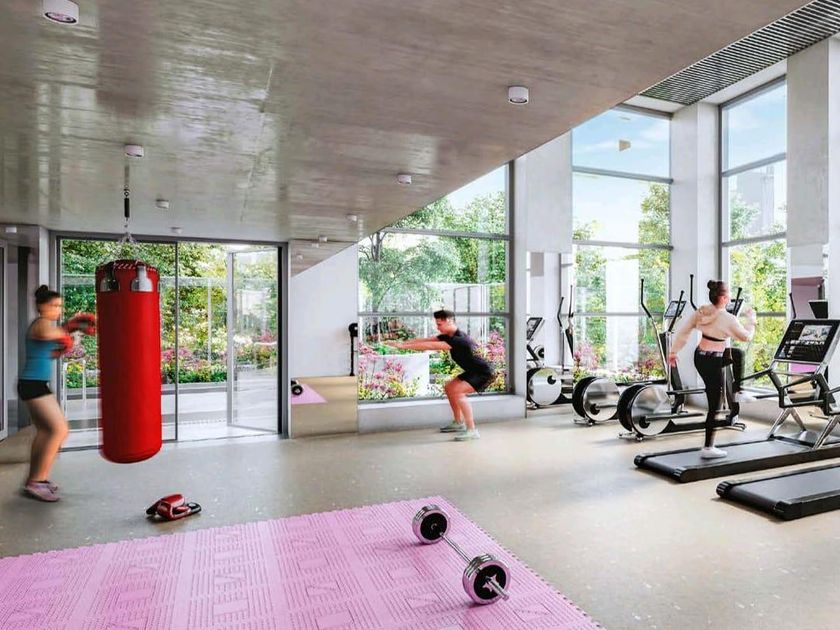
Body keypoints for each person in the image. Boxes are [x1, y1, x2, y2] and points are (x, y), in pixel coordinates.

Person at [668, 280, 757, 459]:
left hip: (701, 357)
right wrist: (752, 321)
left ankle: (739, 390)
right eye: (728, 294)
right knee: (714, 405)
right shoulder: (728, 318)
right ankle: (708, 447)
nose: (730, 297)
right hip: (714, 361)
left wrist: (673, 352)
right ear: (723, 298)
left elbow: (684, 331)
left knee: (737, 354)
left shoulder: (702, 311)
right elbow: (746, 337)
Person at [385, 310, 495, 441]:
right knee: (449, 388)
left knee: (458, 392)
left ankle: (472, 430)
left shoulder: (459, 340)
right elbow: (425, 340)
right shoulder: (448, 336)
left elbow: (430, 345)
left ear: (449, 321)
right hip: (473, 371)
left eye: (439, 324)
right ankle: (458, 423)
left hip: (483, 372)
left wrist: (402, 347)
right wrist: (402, 343)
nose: (437, 327)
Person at [17, 286, 75, 501]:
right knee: (60, 430)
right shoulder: (41, 323)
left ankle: (34, 480)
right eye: (54, 305)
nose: (57, 310)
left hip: (36, 383)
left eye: (60, 306)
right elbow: (46, 334)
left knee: (45, 431)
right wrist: (68, 329)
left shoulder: (47, 326)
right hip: (33, 385)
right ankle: (37, 482)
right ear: (41, 306)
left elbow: (46, 352)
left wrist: (62, 345)